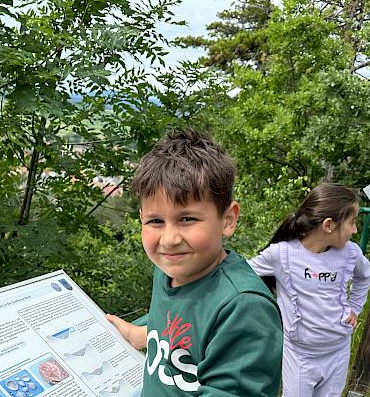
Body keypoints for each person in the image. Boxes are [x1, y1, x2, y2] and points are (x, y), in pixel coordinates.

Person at [105, 130, 282, 396]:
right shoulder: (167, 270)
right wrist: (140, 335)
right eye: (155, 221)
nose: (170, 239)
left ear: (228, 219)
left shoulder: (243, 307)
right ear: (141, 218)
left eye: (187, 219)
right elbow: (174, 334)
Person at [247, 183, 370, 397]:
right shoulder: (282, 254)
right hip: (299, 353)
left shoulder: (350, 253)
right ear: (329, 225)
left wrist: (354, 307)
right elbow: (243, 272)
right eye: (352, 222)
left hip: (338, 349)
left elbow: (365, 275)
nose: (355, 229)